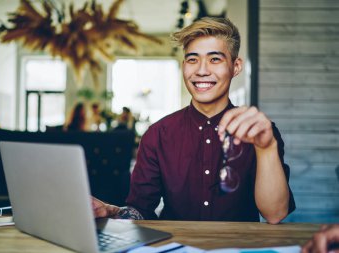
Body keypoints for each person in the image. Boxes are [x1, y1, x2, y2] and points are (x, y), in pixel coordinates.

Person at [92, 17, 295, 223]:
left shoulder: (259, 132)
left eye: (215, 59)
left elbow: (275, 213)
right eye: (193, 59)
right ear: (184, 66)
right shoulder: (158, 134)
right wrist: (113, 212)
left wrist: (267, 147)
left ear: (236, 66)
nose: (201, 70)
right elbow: (140, 209)